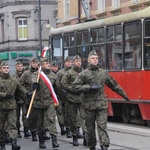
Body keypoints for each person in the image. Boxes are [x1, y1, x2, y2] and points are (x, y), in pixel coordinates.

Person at [72, 50, 130, 150]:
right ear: (88, 60)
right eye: (93, 58)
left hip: (101, 106)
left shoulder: (103, 73)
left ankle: (104, 146)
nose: (95, 60)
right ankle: (92, 146)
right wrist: (89, 87)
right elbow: (74, 87)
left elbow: (114, 85)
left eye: (96, 58)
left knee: (102, 127)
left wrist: (125, 96)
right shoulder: (84, 74)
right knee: (90, 129)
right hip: (88, 107)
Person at [31, 57, 60, 149]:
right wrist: (34, 84)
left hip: (49, 102)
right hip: (38, 102)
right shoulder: (37, 74)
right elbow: (33, 80)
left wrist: (62, 95)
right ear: (42, 65)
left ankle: (54, 140)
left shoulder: (53, 76)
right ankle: (41, 140)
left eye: (49, 63)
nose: (48, 64)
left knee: (51, 119)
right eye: (46, 63)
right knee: (40, 123)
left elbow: (57, 87)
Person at [61, 55, 87, 146]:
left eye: (79, 61)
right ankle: (75, 136)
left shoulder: (84, 72)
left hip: (82, 99)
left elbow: (88, 83)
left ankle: (85, 136)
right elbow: (63, 83)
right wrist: (71, 89)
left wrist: (84, 88)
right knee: (72, 119)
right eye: (76, 61)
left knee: (84, 119)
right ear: (73, 62)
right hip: (71, 99)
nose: (78, 62)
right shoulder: (69, 73)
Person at [0, 61, 26, 150]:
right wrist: (4, 95)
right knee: (1, 127)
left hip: (11, 107)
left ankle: (14, 143)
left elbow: (21, 90)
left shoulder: (13, 80)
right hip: (1, 108)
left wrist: (28, 95)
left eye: (7, 68)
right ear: (0, 69)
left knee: (12, 125)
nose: (6, 69)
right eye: (4, 68)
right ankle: (2, 144)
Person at [19, 58, 38, 141]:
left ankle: (41, 132)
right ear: (30, 63)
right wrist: (26, 92)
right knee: (30, 116)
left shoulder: (40, 73)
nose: (35, 64)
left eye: (36, 63)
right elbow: (19, 84)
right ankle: (32, 132)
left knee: (40, 116)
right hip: (29, 98)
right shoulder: (26, 73)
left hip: (39, 98)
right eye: (33, 63)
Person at [13, 61, 31, 138]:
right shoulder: (13, 76)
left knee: (25, 115)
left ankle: (26, 130)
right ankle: (18, 130)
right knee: (16, 116)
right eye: (18, 66)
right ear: (16, 67)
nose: (20, 68)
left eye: (21, 66)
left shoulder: (26, 75)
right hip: (16, 99)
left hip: (24, 98)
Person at [57, 56, 72, 138]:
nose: (69, 63)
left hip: (71, 96)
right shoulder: (60, 73)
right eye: (67, 62)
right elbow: (57, 84)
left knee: (72, 114)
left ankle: (74, 129)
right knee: (63, 113)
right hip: (62, 96)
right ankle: (65, 128)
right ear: (64, 63)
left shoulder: (73, 71)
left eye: (70, 62)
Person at [51, 61, 66, 135]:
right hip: (50, 98)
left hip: (58, 97)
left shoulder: (59, 74)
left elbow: (60, 86)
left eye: (56, 67)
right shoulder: (47, 75)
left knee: (60, 112)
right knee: (51, 114)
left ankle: (62, 127)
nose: (55, 68)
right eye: (53, 67)